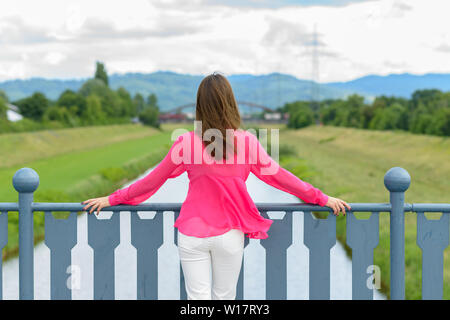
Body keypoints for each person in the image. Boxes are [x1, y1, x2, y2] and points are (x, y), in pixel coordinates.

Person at [82, 72, 351, 300]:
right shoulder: (247, 142)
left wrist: (113, 198)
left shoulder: (186, 143)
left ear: (200, 106)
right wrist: (321, 198)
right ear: (231, 104)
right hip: (229, 236)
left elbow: (152, 182)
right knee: (225, 299)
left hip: (191, 234)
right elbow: (281, 177)